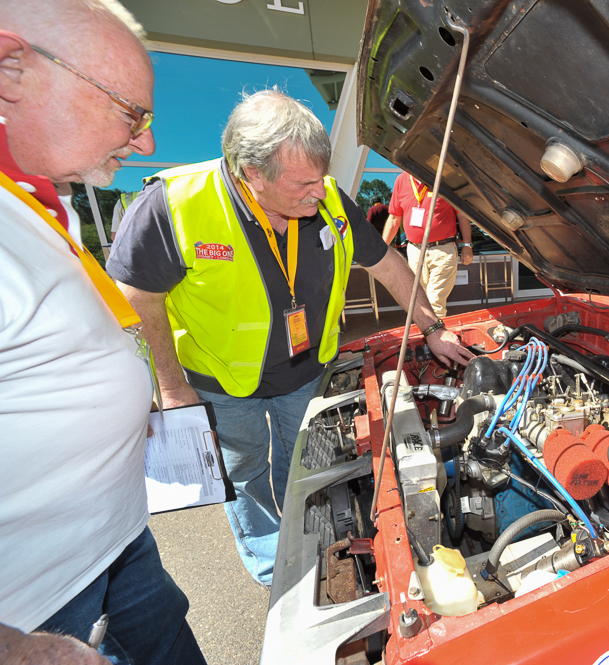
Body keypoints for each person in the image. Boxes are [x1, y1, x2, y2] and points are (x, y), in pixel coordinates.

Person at [107, 89, 475, 586]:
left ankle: (308, 544)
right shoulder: (173, 205)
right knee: (246, 474)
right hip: (221, 379)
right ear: (250, 172)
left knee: (302, 466)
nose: (319, 194)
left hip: (305, 373)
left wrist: (432, 327)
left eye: (320, 179)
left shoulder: (327, 201)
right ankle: (271, 570)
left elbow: (388, 264)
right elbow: (137, 296)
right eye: (302, 183)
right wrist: (170, 388)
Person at [0, 1, 206, 664]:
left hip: (117, 548)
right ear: (11, 68)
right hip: (35, 612)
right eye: (130, 111)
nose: (145, 143)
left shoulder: (30, 197)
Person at [382, 173, 474, 318]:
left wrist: (467, 245)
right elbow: (394, 218)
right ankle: (427, 337)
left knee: (434, 302)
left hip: (443, 250)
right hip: (415, 251)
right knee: (420, 301)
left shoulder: (445, 178)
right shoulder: (401, 180)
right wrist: (381, 250)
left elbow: (462, 215)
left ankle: (435, 339)